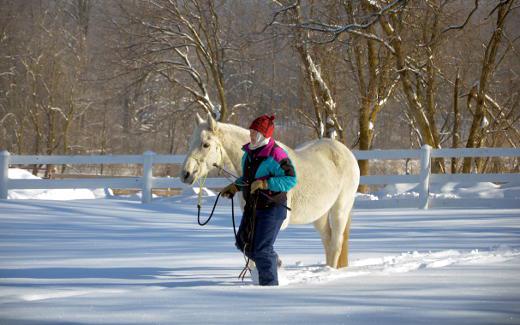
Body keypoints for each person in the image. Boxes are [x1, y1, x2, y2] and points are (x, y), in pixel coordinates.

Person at [221, 114, 297, 286]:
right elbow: (248, 178)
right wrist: (236, 186)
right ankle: (273, 262)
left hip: (272, 208)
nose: (251, 135)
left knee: (261, 250)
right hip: (253, 207)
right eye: (251, 131)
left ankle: (268, 288)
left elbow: (291, 179)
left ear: (264, 135)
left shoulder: (276, 154)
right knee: (243, 243)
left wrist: (265, 183)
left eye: (255, 132)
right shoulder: (248, 153)